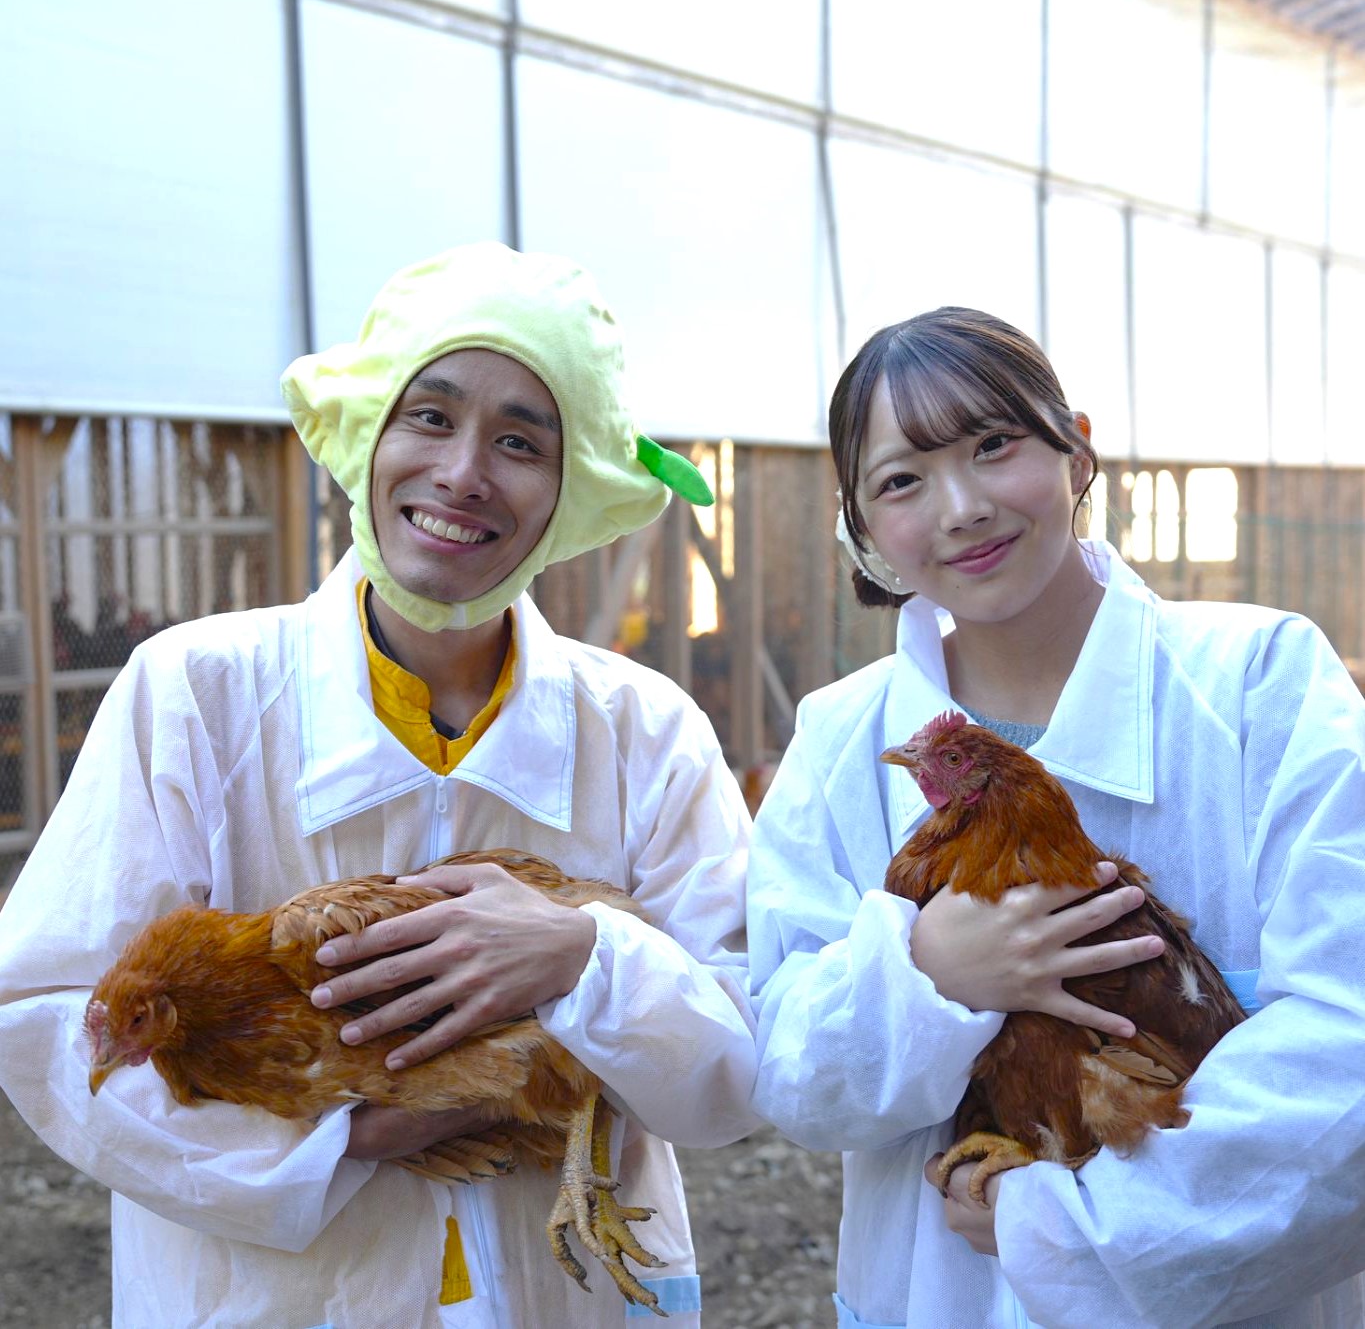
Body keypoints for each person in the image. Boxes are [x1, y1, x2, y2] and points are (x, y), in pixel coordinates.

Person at [0, 243, 757, 1328]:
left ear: (572, 486)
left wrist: (583, 955)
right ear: (369, 434)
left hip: (570, 1293)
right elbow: (47, 1019)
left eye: (520, 441)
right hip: (273, 1297)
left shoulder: (643, 730)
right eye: (431, 417)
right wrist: (338, 1142)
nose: (463, 474)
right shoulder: (198, 692)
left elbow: (733, 1067)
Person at [748, 306, 1365, 1328]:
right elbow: (793, 1079)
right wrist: (925, 978)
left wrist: (1069, 1224)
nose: (962, 507)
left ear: (1077, 448)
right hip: (934, 1294)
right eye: (902, 480)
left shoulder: (1263, 686)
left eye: (994, 446)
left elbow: (1348, 1042)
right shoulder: (840, 744)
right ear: (864, 529)